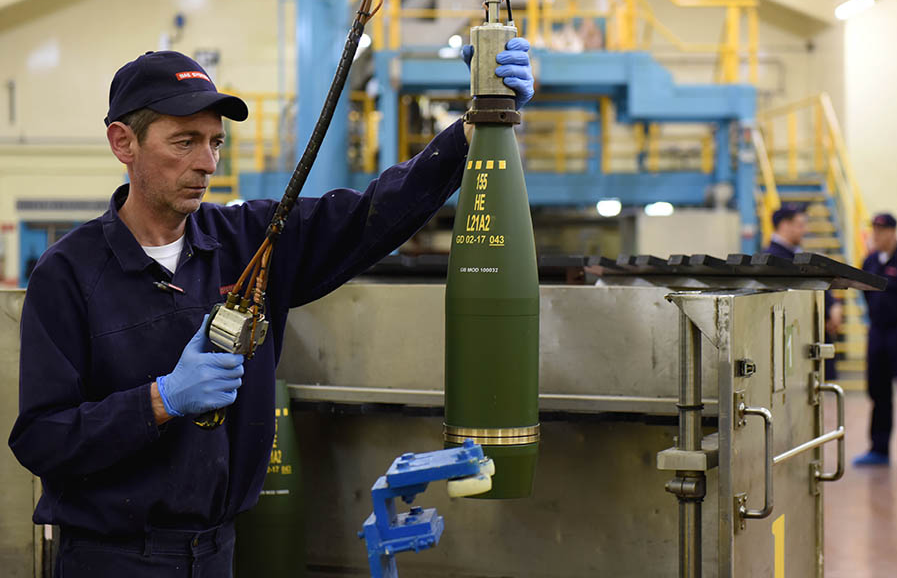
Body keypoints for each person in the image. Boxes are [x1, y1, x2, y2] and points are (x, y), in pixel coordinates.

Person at [8, 44, 535, 575]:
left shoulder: (250, 245)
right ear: (124, 142)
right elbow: (41, 439)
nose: (207, 163)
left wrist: (474, 127)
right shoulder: (68, 274)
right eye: (184, 142)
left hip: (218, 553)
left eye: (216, 142)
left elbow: (370, 216)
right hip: (111, 559)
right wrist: (159, 401)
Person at [853, 213, 897, 472]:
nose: (877, 235)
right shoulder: (870, 261)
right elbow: (867, 297)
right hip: (878, 334)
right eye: (874, 229)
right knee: (878, 392)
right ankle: (879, 449)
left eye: (882, 230)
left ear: (894, 232)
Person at [764, 204, 841, 379]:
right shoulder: (774, 259)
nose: (804, 230)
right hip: (793, 338)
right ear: (784, 225)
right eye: (800, 225)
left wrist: (832, 306)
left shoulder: (794, 256)